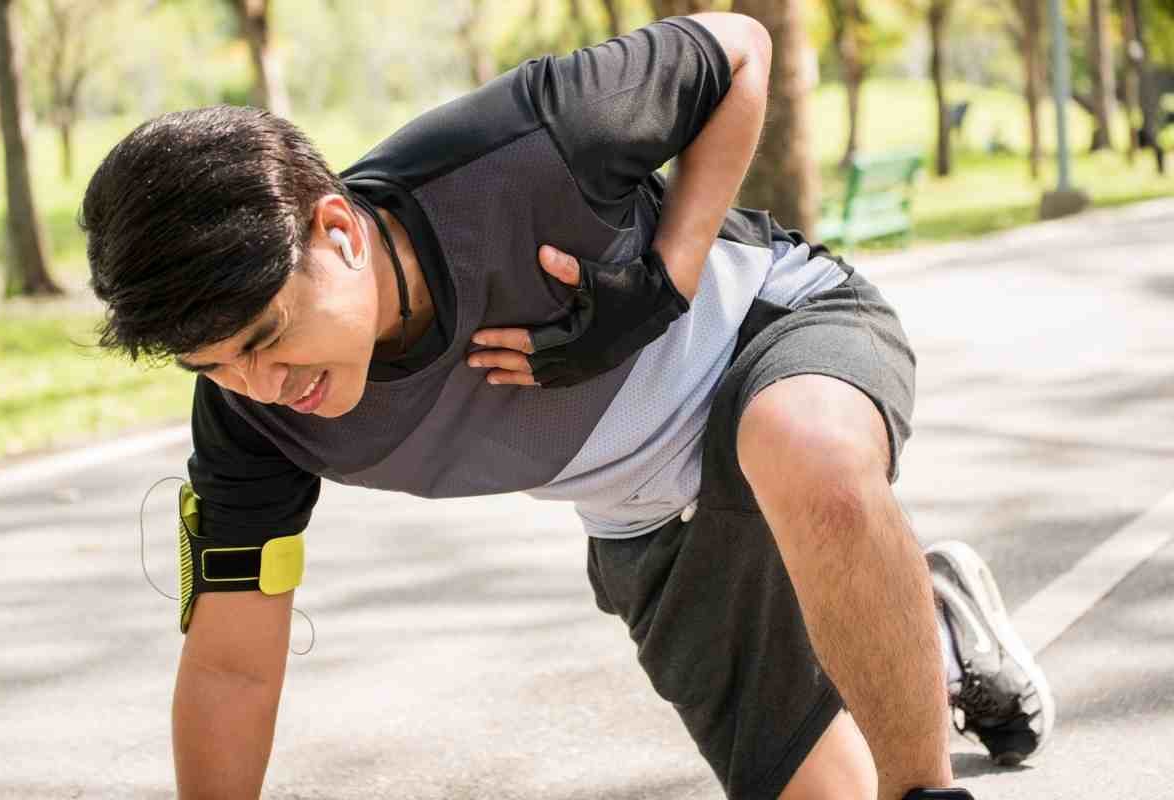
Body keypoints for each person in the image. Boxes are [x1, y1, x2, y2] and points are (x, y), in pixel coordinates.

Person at [80, 12, 1051, 800]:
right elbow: (232, 665)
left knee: (799, 449)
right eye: (213, 364)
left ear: (334, 229)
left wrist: (666, 278)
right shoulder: (253, 425)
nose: (262, 382)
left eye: (266, 334)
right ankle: (926, 618)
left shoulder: (529, 142)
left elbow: (741, 49)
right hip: (643, 513)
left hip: (766, 337)